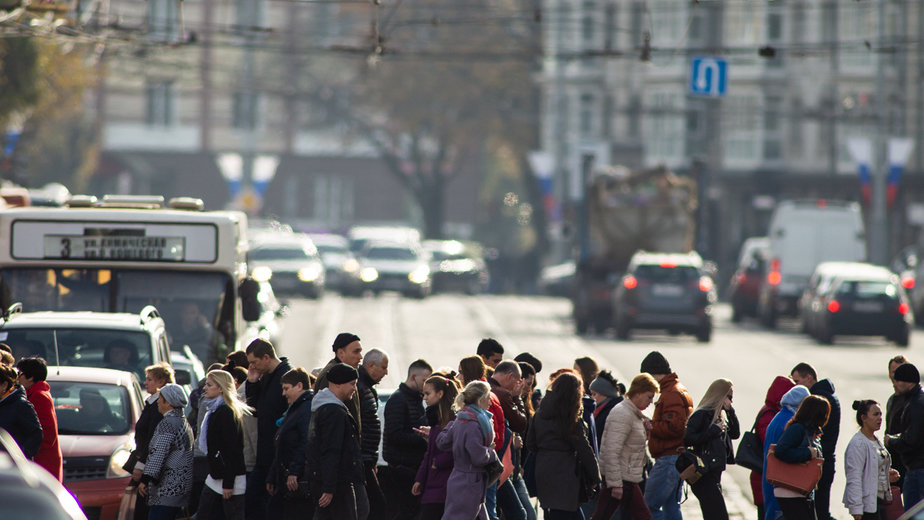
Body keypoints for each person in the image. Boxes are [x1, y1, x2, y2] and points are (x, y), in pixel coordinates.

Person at [526, 372, 600, 520]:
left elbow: (531, 444)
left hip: (543, 470)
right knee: (571, 514)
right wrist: (596, 476)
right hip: (566, 473)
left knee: (552, 513)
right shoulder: (570, 418)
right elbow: (584, 449)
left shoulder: (540, 414)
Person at [592, 373, 659, 520]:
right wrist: (615, 484)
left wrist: (645, 431)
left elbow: (630, 445)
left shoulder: (631, 413)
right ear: (639, 393)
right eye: (649, 396)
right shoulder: (623, 413)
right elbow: (611, 449)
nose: (651, 402)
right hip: (621, 479)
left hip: (625, 478)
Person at [306, 363, 368, 520]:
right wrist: (329, 488)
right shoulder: (334, 412)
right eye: (352, 384)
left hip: (332, 481)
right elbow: (331, 450)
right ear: (338, 384)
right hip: (338, 484)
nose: (355, 388)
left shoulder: (326, 408)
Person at [639, 351, 693, 520]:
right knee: (671, 508)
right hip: (675, 457)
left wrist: (650, 426)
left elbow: (674, 427)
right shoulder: (676, 389)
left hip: (668, 459)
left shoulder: (670, 394)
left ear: (653, 374)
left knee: (648, 507)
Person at [437, 380, 502, 520]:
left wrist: (450, 425)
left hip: (463, 479)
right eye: (488, 398)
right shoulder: (472, 423)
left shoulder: (462, 419)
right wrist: (491, 452)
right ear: (481, 399)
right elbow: (478, 456)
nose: (490, 403)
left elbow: (442, 442)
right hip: (470, 481)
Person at [245, 338, 292, 520]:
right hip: (264, 454)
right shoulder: (266, 377)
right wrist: (252, 383)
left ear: (266, 357)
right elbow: (255, 410)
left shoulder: (285, 376)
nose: (253, 367)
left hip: (276, 457)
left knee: (266, 505)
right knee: (254, 501)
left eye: (254, 362)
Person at [195, 370, 250, 520]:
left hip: (229, 476)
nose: (205, 388)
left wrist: (228, 482)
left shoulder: (226, 412)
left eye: (209, 385)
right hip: (216, 474)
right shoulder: (214, 410)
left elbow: (232, 449)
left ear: (220, 388)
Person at [384, 358, 433, 520]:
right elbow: (394, 435)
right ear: (413, 376)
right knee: (404, 512)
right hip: (401, 468)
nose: (426, 385)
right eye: (425, 380)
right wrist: (424, 438)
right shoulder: (398, 400)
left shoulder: (416, 399)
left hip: (412, 466)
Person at [683, 378, 739, 520]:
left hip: (714, 472)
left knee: (713, 514)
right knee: (718, 515)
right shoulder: (702, 414)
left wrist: (730, 412)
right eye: (729, 397)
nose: (731, 401)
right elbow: (688, 439)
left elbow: (735, 434)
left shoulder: (720, 415)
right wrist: (712, 431)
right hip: (702, 472)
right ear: (720, 396)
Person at [792, 362, 841, 520]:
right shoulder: (827, 395)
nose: (795, 387)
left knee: (818, 512)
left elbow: (812, 429)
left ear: (809, 377)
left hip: (820, 460)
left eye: (797, 381)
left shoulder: (819, 399)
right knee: (820, 510)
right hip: (825, 458)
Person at [126, 363, 174, 520]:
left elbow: (152, 439)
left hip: (149, 466)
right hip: (146, 462)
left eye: (150, 379)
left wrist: (141, 465)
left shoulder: (158, 407)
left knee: (143, 509)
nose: (145, 383)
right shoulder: (151, 403)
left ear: (161, 382)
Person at [138, 384, 194, 520]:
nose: (157, 401)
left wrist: (145, 479)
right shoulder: (182, 421)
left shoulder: (168, 423)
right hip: (180, 487)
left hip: (167, 489)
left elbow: (159, 453)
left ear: (168, 402)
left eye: (160, 398)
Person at [459, 354, 505, 519]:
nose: (458, 377)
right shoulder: (485, 393)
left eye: (461, 373)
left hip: (483, 465)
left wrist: (489, 451)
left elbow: (490, 433)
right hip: (486, 461)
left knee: (487, 510)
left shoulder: (482, 397)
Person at [772, 395, 830, 520]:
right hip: (790, 489)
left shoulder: (812, 431)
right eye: (824, 414)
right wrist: (808, 453)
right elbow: (781, 451)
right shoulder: (797, 428)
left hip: (802, 490)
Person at [268, 367, 314, 520]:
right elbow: (281, 444)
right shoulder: (296, 408)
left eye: (286, 388)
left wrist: (295, 471)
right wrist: (272, 475)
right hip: (287, 478)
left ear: (300, 386)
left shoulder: (305, 409)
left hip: (297, 481)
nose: (283, 393)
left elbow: (304, 442)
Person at [413, 374, 460, 520]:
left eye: (428, 393)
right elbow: (429, 453)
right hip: (433, 482)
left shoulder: (452, 421)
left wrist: (437, 463)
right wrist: (419, 478)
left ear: (440, 394)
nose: (425, 398)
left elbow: (456, 450)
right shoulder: (436, 421)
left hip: (444, 483)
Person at [844, 399, 900, 520]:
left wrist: (887, 474)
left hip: (880, 501)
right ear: (863, 418)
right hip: (867, 504)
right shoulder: (858, 443)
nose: (879, 418)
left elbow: (872, 468)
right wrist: (856, 507)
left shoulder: (875, 440)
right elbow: (854, 477)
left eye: (880, 414)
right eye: (875, 414)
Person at [748, 376, 795, 520]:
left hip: (766, 473)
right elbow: (769, 443)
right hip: (763, 474)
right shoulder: (770, 414)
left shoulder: (773, 411)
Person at [762, 384, 811, 520]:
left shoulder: (779, 417)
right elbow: (784, 451)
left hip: (772, 477)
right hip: (782, 481)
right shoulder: (789, 422)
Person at [488, 360, 528, 520]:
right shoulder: (502, 394)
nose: (517, 386)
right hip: (497, 464)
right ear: (510, 376)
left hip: (488, 462)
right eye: (517, 382)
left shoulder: (484, 387)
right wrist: (517, 398)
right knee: (518, 514)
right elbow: (520, 423)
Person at [884, 363, 924, 511]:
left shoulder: (916, 404)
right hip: (915, 468)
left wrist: (891, 441)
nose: (895, 384)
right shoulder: (914, 400)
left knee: (913, 513)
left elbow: (912, 439)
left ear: (908, 382)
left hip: (918, 469)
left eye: (898, 381)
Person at [16, 357, 62, 481]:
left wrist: (27, 447)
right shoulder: (35, 393)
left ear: (30, 377)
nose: (17, 378)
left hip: (42, 461)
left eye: (19, 374)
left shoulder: (39, 396)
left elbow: (47, 434)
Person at [357, 349, 388, 520]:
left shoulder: (366, 388)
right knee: (376, 507)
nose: (386, 372)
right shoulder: (360, 387)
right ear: (371, 366)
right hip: (362, 459)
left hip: (367, 459)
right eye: (383, 367)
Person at [314, 333, 364, 435]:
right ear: (341, 353)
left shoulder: (347, 374)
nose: (360, 357)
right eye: (356, 352)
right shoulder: (331, 376)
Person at [0, 364, 42, 458]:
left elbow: (36, 434)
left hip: (10, 466)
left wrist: (19, 457)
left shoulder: (20, 405)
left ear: (4, 385)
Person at [886, 355, 910, 514]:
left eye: (901, 371)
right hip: (893, 460)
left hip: (910, 461)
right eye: (894, 371)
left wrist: (893, 440)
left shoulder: (913, 401)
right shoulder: (892, 399)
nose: (896, 376)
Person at [588, 371, 622, 446]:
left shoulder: (613, 412)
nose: (592, 397)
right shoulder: (601, 409)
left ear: (605, 394)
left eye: (594, 394)